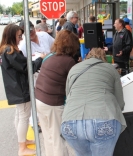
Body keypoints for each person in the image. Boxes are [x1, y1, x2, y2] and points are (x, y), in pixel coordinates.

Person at [61, 48, 126, 156]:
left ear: (87, 56)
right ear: (104, 58)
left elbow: (68, 96)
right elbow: (120, 103)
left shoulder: (74, 68)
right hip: (103, 118)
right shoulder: (110, 69)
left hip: (70, 121)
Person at [0, 24, 44, 156]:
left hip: (15, 88)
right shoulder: (11, 51)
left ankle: (22, 141)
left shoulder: (5, 50)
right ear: (12, 36)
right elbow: (27, 68)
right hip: (21, 88)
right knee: (24, 117)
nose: (20, 39)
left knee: (20, 115)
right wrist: (40, 58)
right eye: (19, 36)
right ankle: (22, 147)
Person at [35, 30, 79, 156]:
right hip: (53, 103)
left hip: (39, 99)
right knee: (58, 137)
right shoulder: (68, 61)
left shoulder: (49, 56)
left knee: (48, 136)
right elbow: (73, 83)